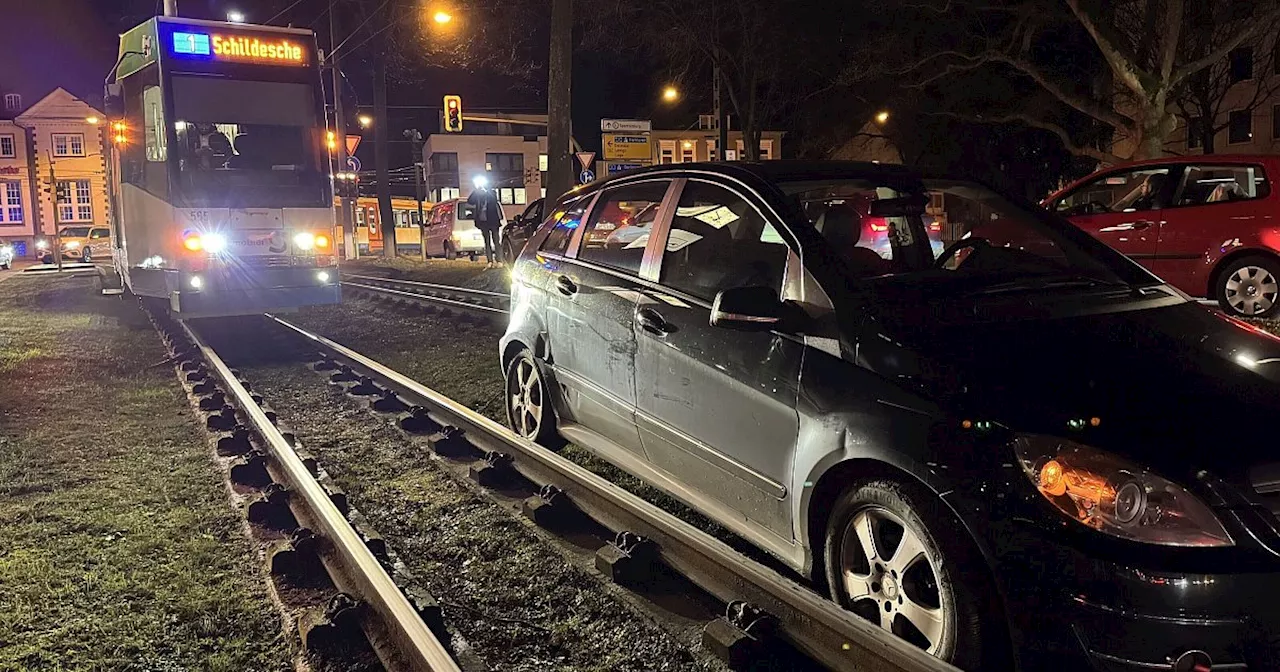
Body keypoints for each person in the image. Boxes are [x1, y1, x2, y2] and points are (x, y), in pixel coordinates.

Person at [467, 176, 504, 267]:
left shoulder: (491, 193)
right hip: (483, 222)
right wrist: (476, 191)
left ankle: (499, 260)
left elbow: (494, 199)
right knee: (487, 242)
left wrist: (486, 189)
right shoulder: (478, 196)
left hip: (493, 221)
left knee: (496, 241)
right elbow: (470, 201)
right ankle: (490, 261)